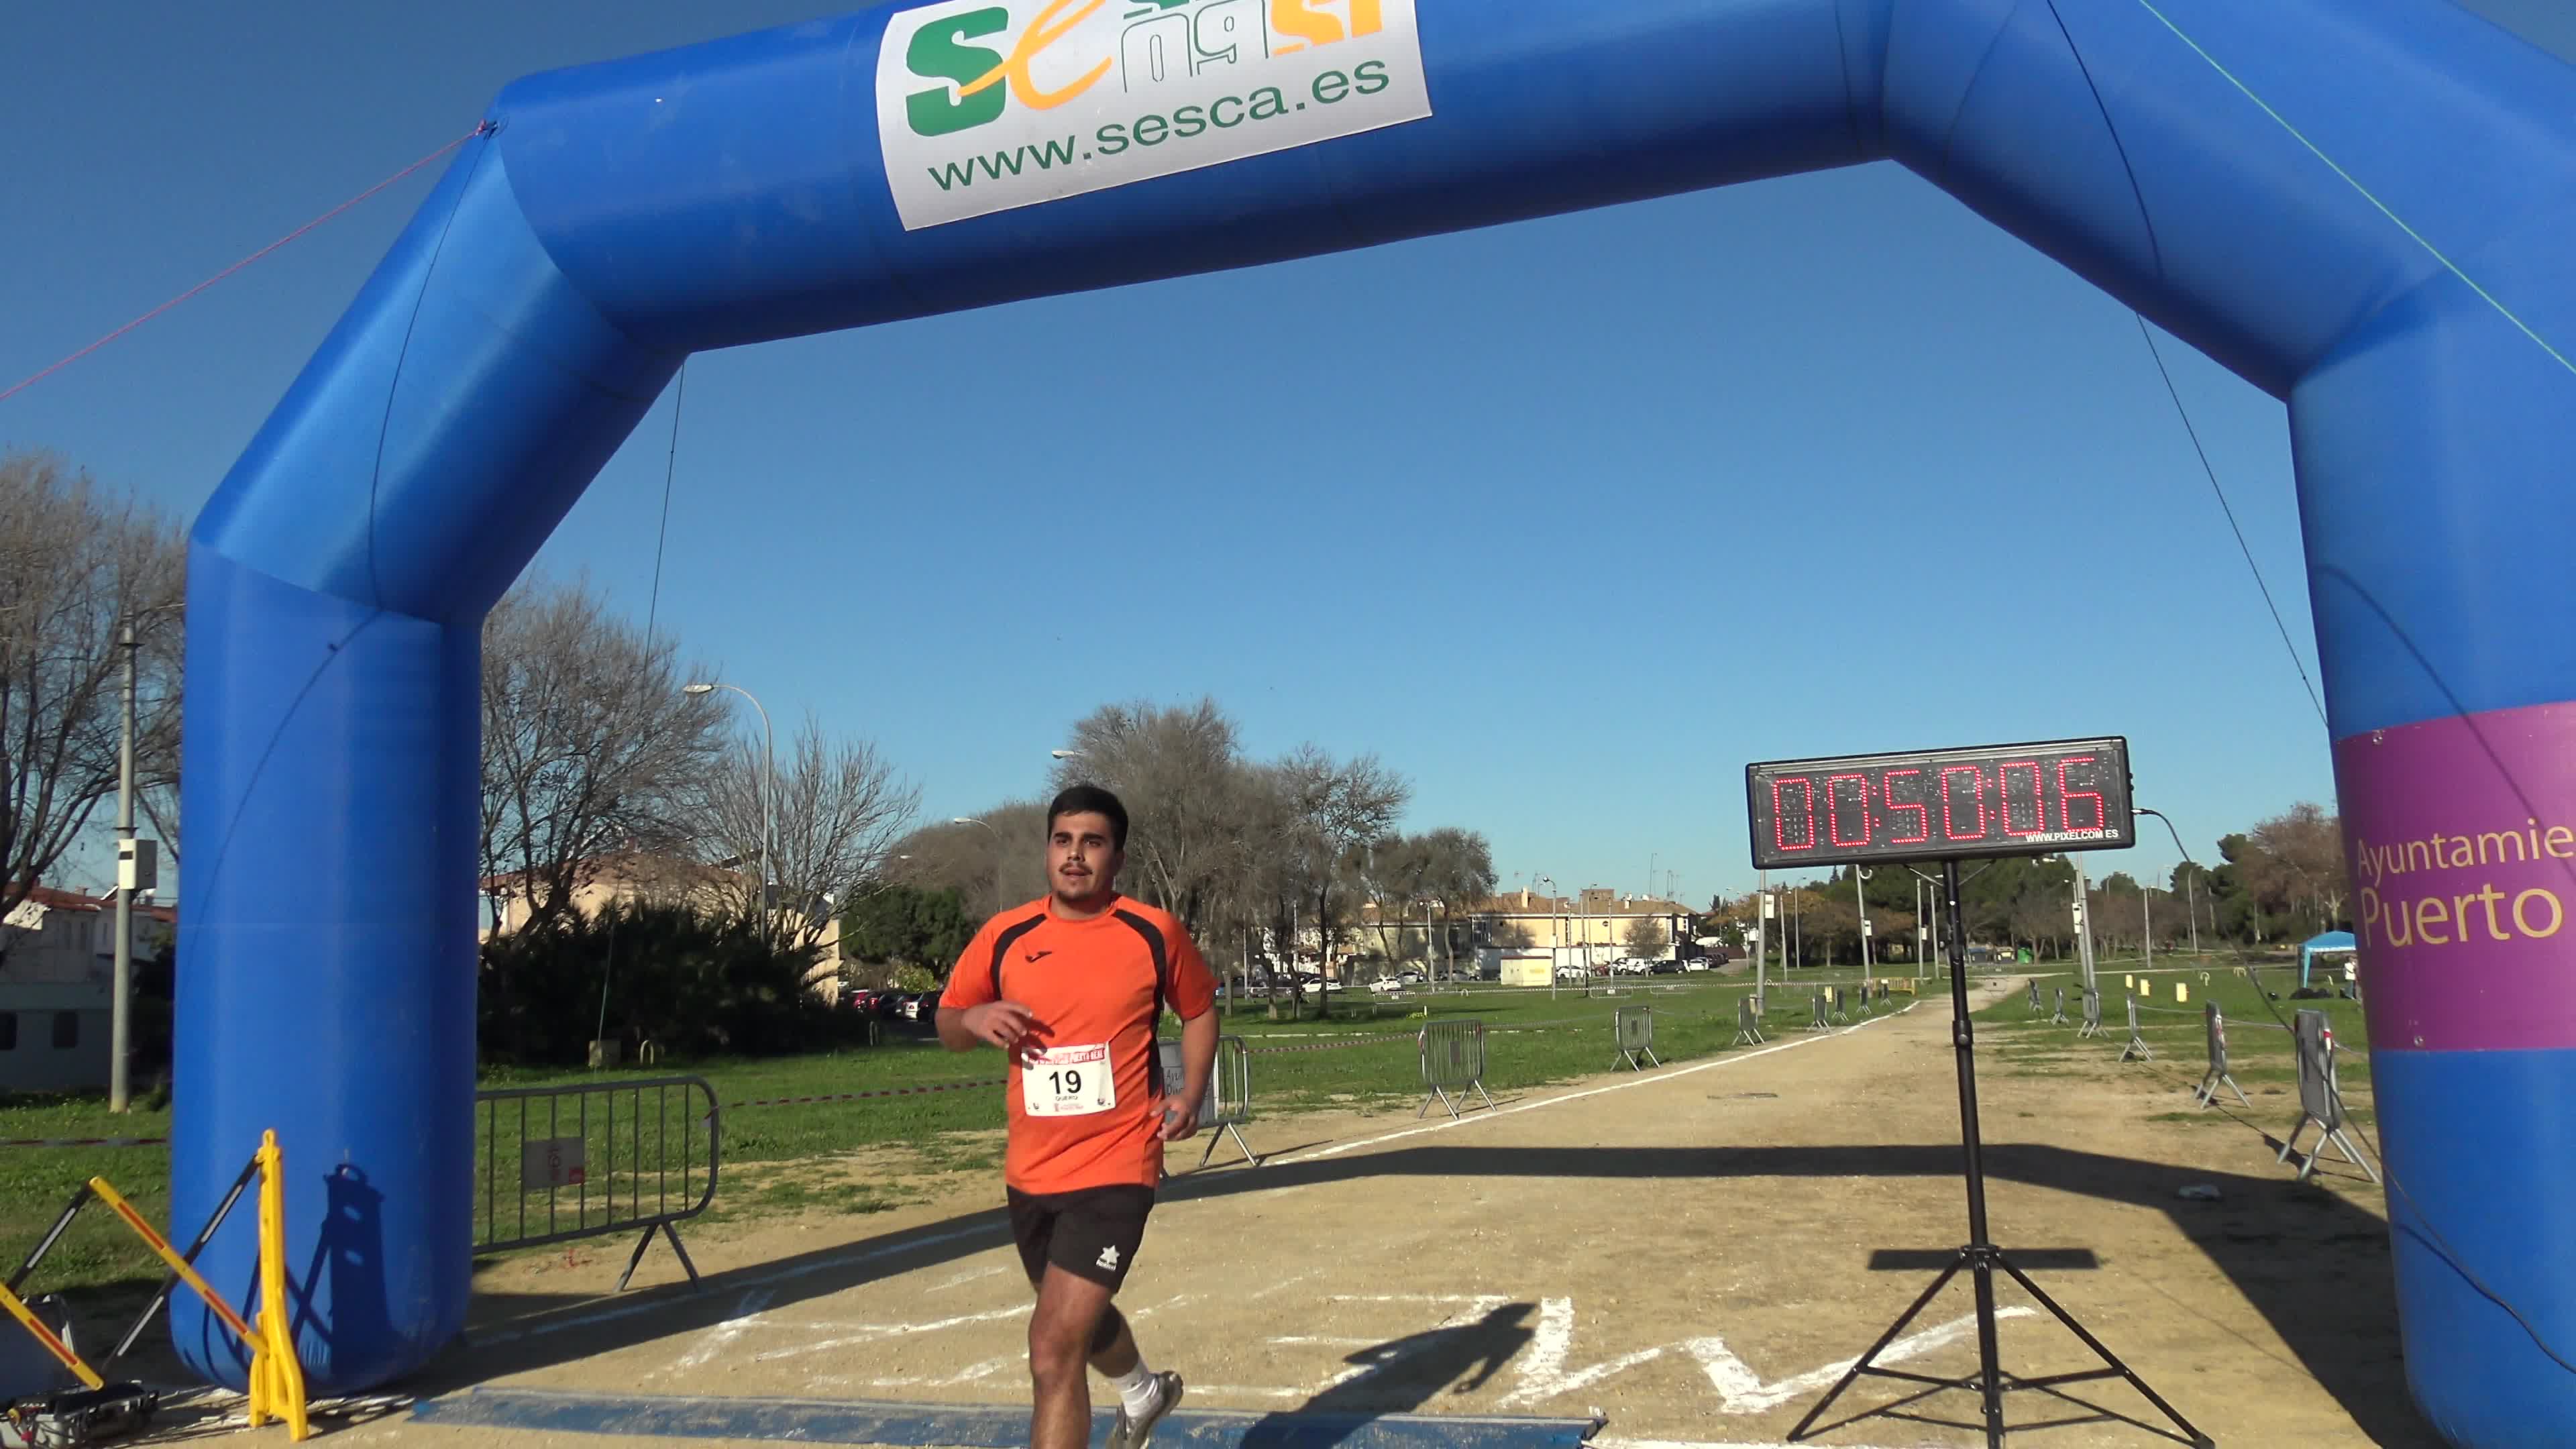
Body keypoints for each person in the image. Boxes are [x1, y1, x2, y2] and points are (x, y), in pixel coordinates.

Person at [937, 784, 1218, 1449]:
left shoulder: (1153, 932)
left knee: (1051, 1347)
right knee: (1076, 1322)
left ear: (1117, 858)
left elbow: (1200, 1009)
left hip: (1118, 1164)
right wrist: (973, 1019)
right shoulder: (1005, 935)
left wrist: (1191, 1093)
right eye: (1063, 840)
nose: (1075, 855)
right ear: (1047, 850)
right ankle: (1144, 1393)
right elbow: (948, 1022)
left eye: (1092, 843)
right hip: (1032, 1171)